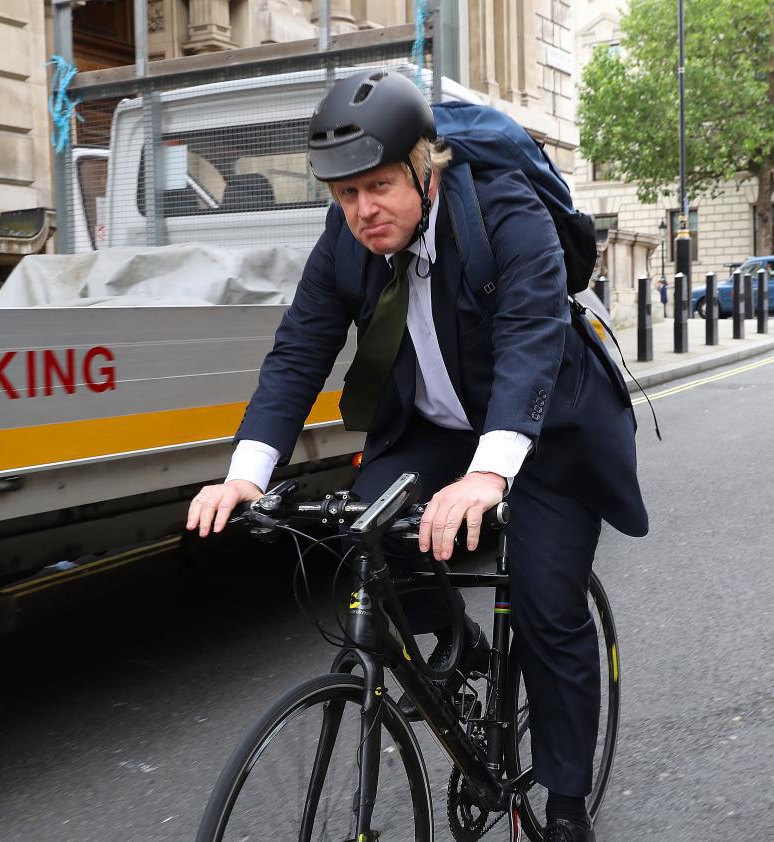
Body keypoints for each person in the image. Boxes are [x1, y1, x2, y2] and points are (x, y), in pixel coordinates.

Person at [186, 69, 647, 842]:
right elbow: (300, 348)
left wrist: (490, 472)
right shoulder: (350, 237)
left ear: (424, 165)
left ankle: (566, 808)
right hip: (436, 425)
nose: (362, 211)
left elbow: (531, 339)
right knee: (364, 529)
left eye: (378, 187)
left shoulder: (505, 209)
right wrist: (245, 475)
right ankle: (457, 642)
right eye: (342, 194)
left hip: (544, 431)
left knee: (546, 606)